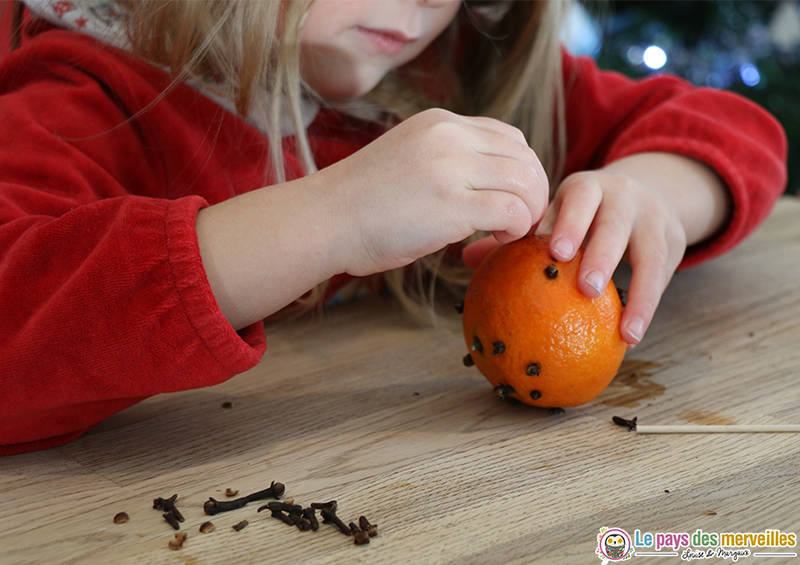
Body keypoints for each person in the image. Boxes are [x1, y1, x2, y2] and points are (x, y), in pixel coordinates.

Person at [0, 0, 787, 455]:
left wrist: (647, 191)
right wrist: (329, 218)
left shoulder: (445, 70)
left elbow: (731, 128)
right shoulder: (89, 93)